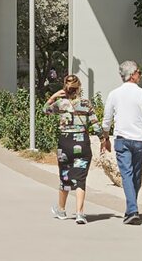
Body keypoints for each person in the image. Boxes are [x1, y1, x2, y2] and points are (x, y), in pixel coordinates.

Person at [101, 60, 142, 225]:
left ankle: (132, 209)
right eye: (138, 71)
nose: (140, 74)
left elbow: (107, 120)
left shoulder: (114, 94)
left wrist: (105, 139)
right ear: (132, 74)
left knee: (128, 175)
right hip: (140, 140)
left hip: (122, 140)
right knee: (136, 176)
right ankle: (132, 209)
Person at [45, 74, 104, 224]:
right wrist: (103, 140)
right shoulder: (86, 104)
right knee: (80, 178)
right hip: (82, 143)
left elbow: (46, 110)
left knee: (65, 175)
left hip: (65, 143)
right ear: (79, 88)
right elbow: (96, 125)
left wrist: (54, 96)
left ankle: (61, 209)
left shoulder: (61, 104)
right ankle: (79, 213)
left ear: (65, 87)